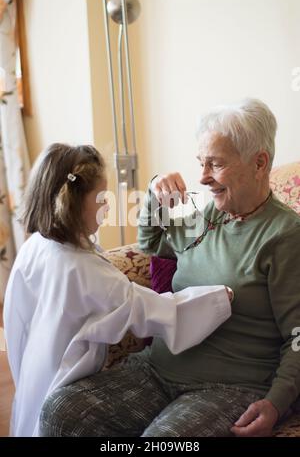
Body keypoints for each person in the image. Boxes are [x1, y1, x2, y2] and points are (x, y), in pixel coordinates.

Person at [39, 98, 300, 438]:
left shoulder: (284, 236)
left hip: (230, 385)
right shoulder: (209, 217)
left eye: (215, 164)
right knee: (62, 411)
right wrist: (154, 195)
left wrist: (276, 403)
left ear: (259, 162)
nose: (203, 177)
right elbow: (152, 244)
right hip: (156, 369)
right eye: (200, 163)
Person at [3, 143, 233, 437]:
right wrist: (217, 300)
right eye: (101, 198)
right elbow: (152, 312)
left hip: (33, 374)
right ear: (71, 202)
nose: (108, 206)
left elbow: (14, 318)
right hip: (65, 382)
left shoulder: (36, 245)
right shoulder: (84, 270)